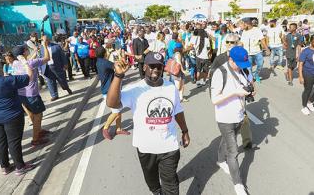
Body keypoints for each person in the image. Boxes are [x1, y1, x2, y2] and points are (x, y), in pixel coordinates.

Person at [106, 52, 190, 195]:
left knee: (170, 184)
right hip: (146, 148)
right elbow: (112, 103)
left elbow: (177, 111)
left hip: (169, 147)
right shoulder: (135, 89)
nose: (155, 70)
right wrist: (118, 76)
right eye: (152, 66)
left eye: (159, 66)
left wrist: (185, 131)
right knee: (153, 184)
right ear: (144, 67)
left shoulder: (171, 88)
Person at [210, 46, 252, 195]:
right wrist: (235, 93)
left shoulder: (243, 70)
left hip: (239, 115)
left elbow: (247, 86)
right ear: (230, 59)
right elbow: (214, 100)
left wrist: (249, 91)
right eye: (238, 63)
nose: (241, 67)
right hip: (225, 117)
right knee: (233, 152)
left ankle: (220, 160)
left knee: (227, 140)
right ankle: (238, 184)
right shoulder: (220, 72)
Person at [209, 34, 254, 150]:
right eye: (227, 42)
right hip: (226, 94)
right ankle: (227, 149)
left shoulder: (241, 54)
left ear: (237, 43)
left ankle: (246, 140)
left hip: (241, 94)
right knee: (229, 124)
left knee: (243, 116)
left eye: (232, 42)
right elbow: (212, 76)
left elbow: (248, 72)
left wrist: (251, 87)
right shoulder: (219, 58)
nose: (229, 44)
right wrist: (214, 95)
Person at [12, 36, 51, 146]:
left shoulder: (15, 64)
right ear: (24, 53)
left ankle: (38, 131)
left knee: (34, 114)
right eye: (25, 49)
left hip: (21, 95)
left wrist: (35, 51)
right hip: (32, 95)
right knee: (38, 115)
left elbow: (27, 60)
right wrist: (44, 45)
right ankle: (35, 139)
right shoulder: (31, 63)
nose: (27, 50)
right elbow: (47, 58)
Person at [96, 46, 130, 140]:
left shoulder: (99, 61)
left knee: (118, 111)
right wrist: (122, 59)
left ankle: (118, 129)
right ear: (105, 53)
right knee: (116, 111)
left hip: (109, 89)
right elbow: (118, 66)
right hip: (109, 91)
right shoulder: (105, 62)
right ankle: (105, 128)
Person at [41, 37, 73, 101]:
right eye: (43, 40)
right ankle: (54, 95)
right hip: (47, 68)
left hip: (57, 66)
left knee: (62, 80)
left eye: (46, 40)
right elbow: (40, 58)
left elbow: (62, 55)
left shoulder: (56, 46)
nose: (45, 42)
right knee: (50, 82)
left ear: (48, 40)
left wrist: (65, 64)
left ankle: (66, 88)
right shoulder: (42, 48)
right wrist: (40, 69)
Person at [240, 18, 270, 83]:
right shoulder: (244, 32)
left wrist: (267, 49)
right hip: (247, 53)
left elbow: (262, 40)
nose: (241, 25)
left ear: (246, 24)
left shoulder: (257, 30)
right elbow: (241, 42)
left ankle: (256, 75)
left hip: (257, 52)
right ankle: (251, 80)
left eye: (242, 24)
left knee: (260, 64)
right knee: (249, 68)